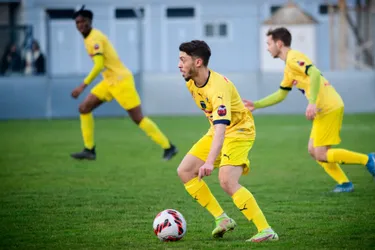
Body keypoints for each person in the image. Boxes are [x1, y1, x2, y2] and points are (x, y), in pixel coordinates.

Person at [243, 27, 375, 193]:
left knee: (320, 153)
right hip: (323, 107)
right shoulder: (289, 68)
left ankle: (369, 160)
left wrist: (312, 102)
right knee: (314, 150)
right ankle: (344, 184)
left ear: (279, 43)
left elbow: (313, 72)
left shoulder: (294, 57)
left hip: (327, 106)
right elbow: (281, 94)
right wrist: (257, 104)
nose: (267, 48)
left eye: (269, 43)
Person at [177, 40, 278, 242]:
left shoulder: (218, 88)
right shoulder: (190, 81)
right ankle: (222, 219)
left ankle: (266, 230)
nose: (179, 64)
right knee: (185, 171)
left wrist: (208, 162)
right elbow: (216, 126)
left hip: (240, 130)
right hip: (217, 130)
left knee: (226, 180)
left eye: (183, 59)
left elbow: (222, 129)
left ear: (197, 62)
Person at [70, 6, 177, 161]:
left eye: (82, 22)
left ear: (89, 21)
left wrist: (83, 85)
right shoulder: (88, 38)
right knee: (84, 108)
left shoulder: (95, 38)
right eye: (77, 22)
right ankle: (89, 150)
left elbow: (99, 65)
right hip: (109, 81)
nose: (79, 25)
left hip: (121, 81)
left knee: (137, 118)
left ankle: (169, 147)